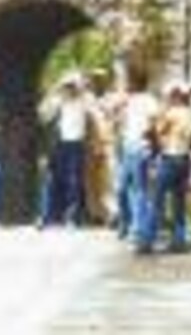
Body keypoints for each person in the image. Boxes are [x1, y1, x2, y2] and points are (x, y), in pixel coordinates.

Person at [149, 81, 191, 253]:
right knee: (179, 202)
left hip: (170, 158)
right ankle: (179, 240)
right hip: (184, 159)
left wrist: (161, 115)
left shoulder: (172, 113)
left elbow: (159, 131)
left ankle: (148, 238)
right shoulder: (189, 113)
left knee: (157, 199)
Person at [39, 72, 92, 227]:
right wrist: (53, 94)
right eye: (67, 86)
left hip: (76, 144)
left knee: (74, 181)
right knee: (51, 179)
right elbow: (43, 116)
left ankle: (72, 216)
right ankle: (47, 215)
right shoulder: (57, 102)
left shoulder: (84, 102)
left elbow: (94, 111)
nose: (70, 89)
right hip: (58, 144)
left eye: (72, 86)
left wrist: (82, 88)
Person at [116, 66, 160, 253]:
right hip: (128, 148)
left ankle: (140, 233)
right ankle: (128, 224)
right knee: (122, 188)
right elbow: (120, 120)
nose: (128, 84)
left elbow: (153, 125)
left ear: (135, 82)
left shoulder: (150, 101)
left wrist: (152, 145)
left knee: (139, 190)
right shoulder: (130, 100)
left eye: (129, 81)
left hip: (141, 149)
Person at [84, 68, 121, 226]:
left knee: (110, 179)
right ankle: (95, 213)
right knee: (91, 181)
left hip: (108, 142)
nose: (97, 82)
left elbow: (118, 118)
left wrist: (110, 115)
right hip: (90, 143)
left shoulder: (112, 99)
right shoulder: (86, 100)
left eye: (100, 79)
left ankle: (112, 213)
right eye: (94, 79)